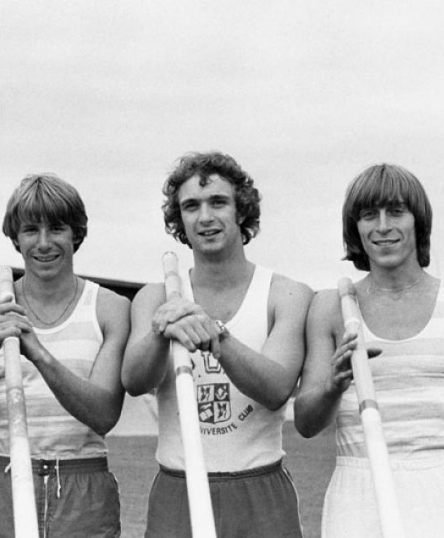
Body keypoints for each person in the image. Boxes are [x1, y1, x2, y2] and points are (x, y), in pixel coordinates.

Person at [294, 164, 444, 537]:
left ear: (419, 222)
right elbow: (306, 423)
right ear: (356, 229)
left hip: (443, 487)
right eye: (369, 215)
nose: (383, 226)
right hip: (357, 491)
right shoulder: (329, 307)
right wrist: (333, 386)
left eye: (396, 211)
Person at [122, 152, 313, 537]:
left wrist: (217, 337)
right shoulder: (155, 298)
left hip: (259, 488)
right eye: (191, 206)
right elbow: (134, 381)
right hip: (179, 488)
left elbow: (276, 390)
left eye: (218, 202)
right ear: (179, 221)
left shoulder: (286, 294)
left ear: (242, 210)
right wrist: (161, 333)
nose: (205, 217)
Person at [0, 173, 129, 538]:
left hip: (82, 483)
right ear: (15, 237)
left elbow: (104, 415)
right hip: (1, 477)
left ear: (76, 233)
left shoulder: (110, 308)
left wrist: (37, 352)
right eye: (31, 230)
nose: (44, 243)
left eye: (57, 229)